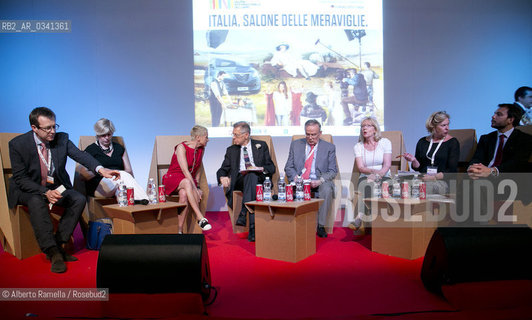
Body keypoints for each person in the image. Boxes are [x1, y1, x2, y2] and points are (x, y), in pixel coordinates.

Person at [8, 107, 120, 273]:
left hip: (54, 187)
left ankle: (60, 244)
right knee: (36, 200)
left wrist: (100, 169)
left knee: (78, 198)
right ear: (34, 128)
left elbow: (80, 155)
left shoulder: (62, 139)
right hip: (29, 189)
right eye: (48, 128)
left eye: (54, 126)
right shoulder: (18, 144)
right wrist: (44, 191)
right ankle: (52, 252)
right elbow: (21, 179)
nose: (53, 131)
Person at [216, 121, 276, 242]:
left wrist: (262, 168)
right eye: (233, 134)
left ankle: (244, 213)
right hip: (240, 181)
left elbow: (271, 167)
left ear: (246, 135)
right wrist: (222, 177)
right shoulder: (231, 150)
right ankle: (252, 228)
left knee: (252, 175)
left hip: (259, 179)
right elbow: (223, 169)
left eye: (236, 135)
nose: (233, 137)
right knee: (250, 176)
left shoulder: (261, 145)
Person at [285, 119, 338, 238]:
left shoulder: (329, 147)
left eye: (313, 134)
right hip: (300, 180)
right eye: (307, 134)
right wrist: (294, 178)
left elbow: (332, 171)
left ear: (320, 133)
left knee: (327, 188)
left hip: (318, 180)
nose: (310, 137)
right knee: (286, 186)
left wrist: (320, 180)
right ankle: (293, 224)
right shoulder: (296, 144)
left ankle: (321, 225)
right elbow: (288, 166)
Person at [79, 118, 148, 202]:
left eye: (109, 134)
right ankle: (145, 201)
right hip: (99, 186)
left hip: (119, 181)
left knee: (122, 187)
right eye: (103, 135)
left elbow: (129, 171)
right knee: (122, 175)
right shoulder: (91, 150)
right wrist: (103, 171)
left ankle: (137, 207)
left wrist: (117, 174)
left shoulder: (119, 148)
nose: (107, 138)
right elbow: (82, 175)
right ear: (97, 135)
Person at [163, 125, 211, 233]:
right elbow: (185, 171)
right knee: (187, 182)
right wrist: (195, 190)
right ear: (198, 137)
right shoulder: (181, 147)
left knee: (184, 194)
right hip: (173, 178)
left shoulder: (201, 149)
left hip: (187, 181)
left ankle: (179, 230)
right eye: (206, 137)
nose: (208, 139)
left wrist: (197, 187)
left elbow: (198, 169)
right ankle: (200, 217)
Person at [350, 117, 391, 233]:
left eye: (368, 125)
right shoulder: (358, 146)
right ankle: (372, 224)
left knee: (377, 186)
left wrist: (378, 176)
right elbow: (361, 167)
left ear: (375, 129)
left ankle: (360, 217)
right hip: (365, 176)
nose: (364, 128)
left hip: (384, 175)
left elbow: (387, 165)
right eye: (362, 126)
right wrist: (373, 174)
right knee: (368, 185)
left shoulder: (385, 142)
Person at [468, 104, 532, 178]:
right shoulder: (486, 138)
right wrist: (474, 169)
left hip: (507, 177)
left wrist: (492, 171)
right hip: (483, 176)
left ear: (510, 120)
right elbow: (477, 158)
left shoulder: (524, 138)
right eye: (494, 113)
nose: (493, 116)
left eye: (499, 114)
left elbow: (516, 163)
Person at [403, 111, 460, 194]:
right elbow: (418, 168)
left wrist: (433, 177)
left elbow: (451, 171)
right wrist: (414, 160)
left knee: (420, 188)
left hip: (442, 181)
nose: (447, 128)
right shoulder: (422, 141)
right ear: (433, 127)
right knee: (401, 185)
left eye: (448, 124)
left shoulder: (452, 142)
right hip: (422, 179)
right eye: (443, 125)